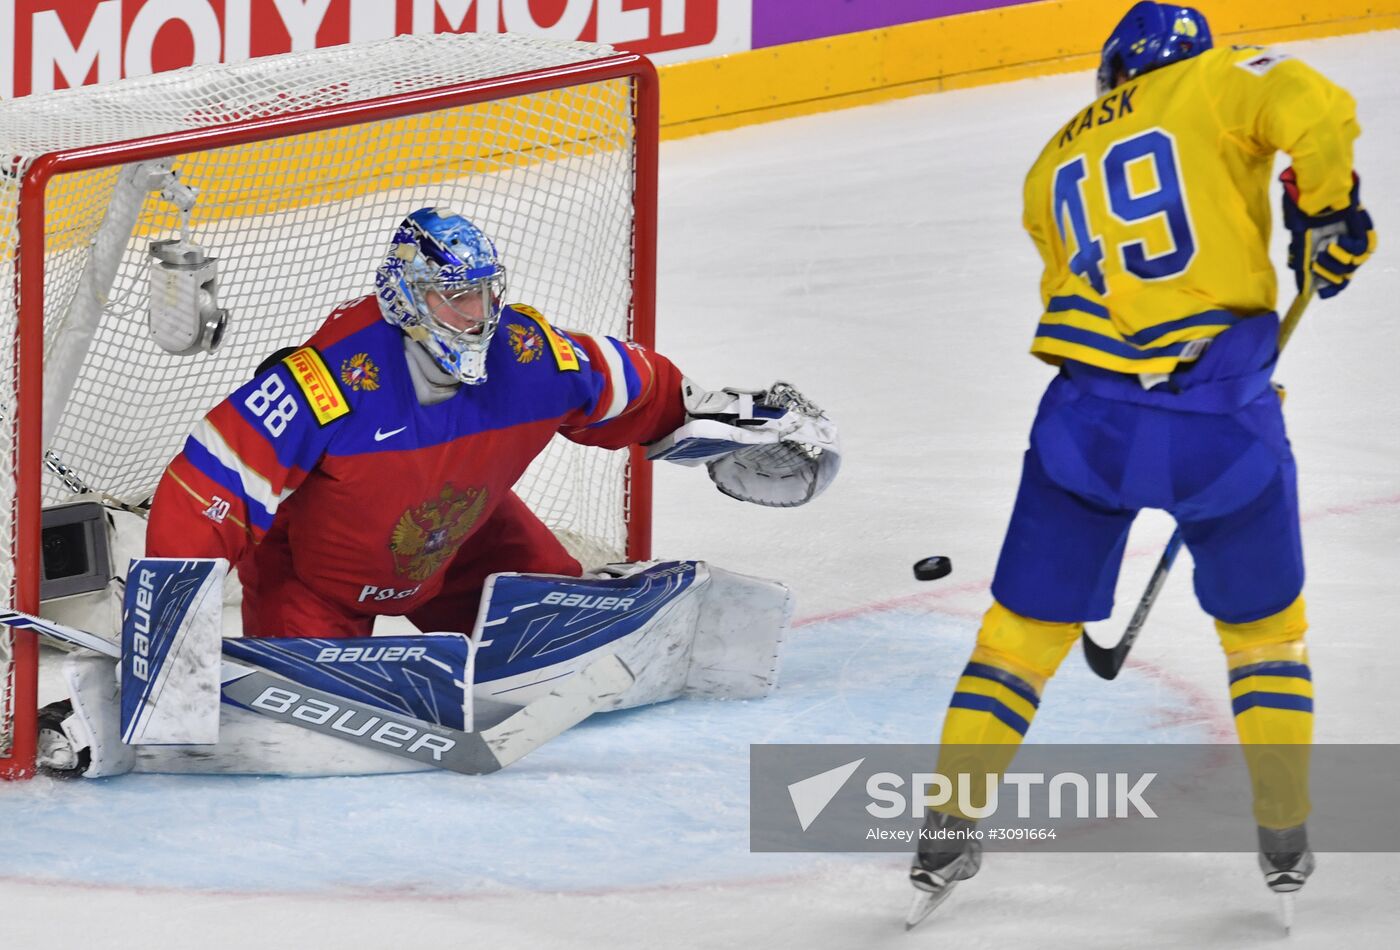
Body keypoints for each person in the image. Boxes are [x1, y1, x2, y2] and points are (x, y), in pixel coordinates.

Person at [906, 2, 1376, 923]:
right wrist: (1326, 211)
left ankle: (944, 832)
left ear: (1114, 70)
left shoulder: (1051, 160)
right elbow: (1315, 107)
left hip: (1085, 428)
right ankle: (1284, 836)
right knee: (1266, 638)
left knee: (1015, 643)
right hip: (1223, 427)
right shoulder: (1215, 78)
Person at [144, 207, 839, 639]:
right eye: (455, 297)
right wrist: (170, 634)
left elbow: (634, 388)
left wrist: (716, 423)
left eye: (482, 293)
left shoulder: (528, 354)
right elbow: (203, 489)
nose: (476, 316)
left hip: (463, 546)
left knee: (571, 634)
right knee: (306, 699)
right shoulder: (326, 382)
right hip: (315, 580)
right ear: (407, 297)